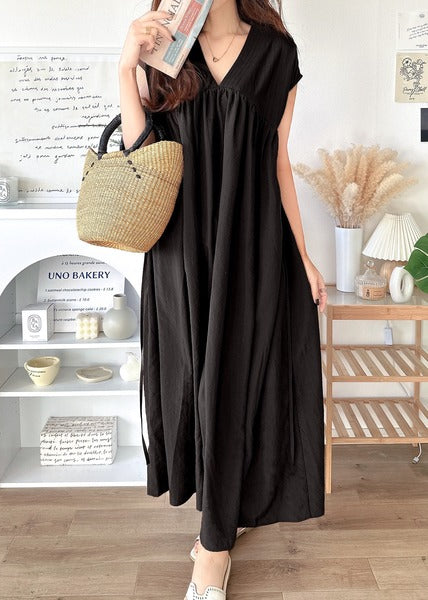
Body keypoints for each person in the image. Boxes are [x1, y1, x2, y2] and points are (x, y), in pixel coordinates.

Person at [118, 1, 328, 597]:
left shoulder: (276, 53)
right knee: (192, 383)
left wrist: (304, 255)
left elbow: (278, 162)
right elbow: (139, 151)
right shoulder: (163, 47)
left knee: (238, 381)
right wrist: (125, 67)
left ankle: (213, 551)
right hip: (179, 252)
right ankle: (219, 513)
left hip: (253, 244)